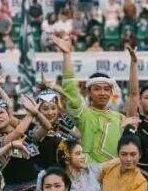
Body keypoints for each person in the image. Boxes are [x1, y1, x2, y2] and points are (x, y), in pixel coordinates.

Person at [53, 35, 131, 163]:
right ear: (89, 92)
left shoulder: (120, 118)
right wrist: (66, 55)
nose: (102, 93)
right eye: (97, 89)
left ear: (111, 92)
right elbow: (70, 90)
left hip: (114, 172)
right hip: (88, 171)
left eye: (106, 89)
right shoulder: (83, 114)